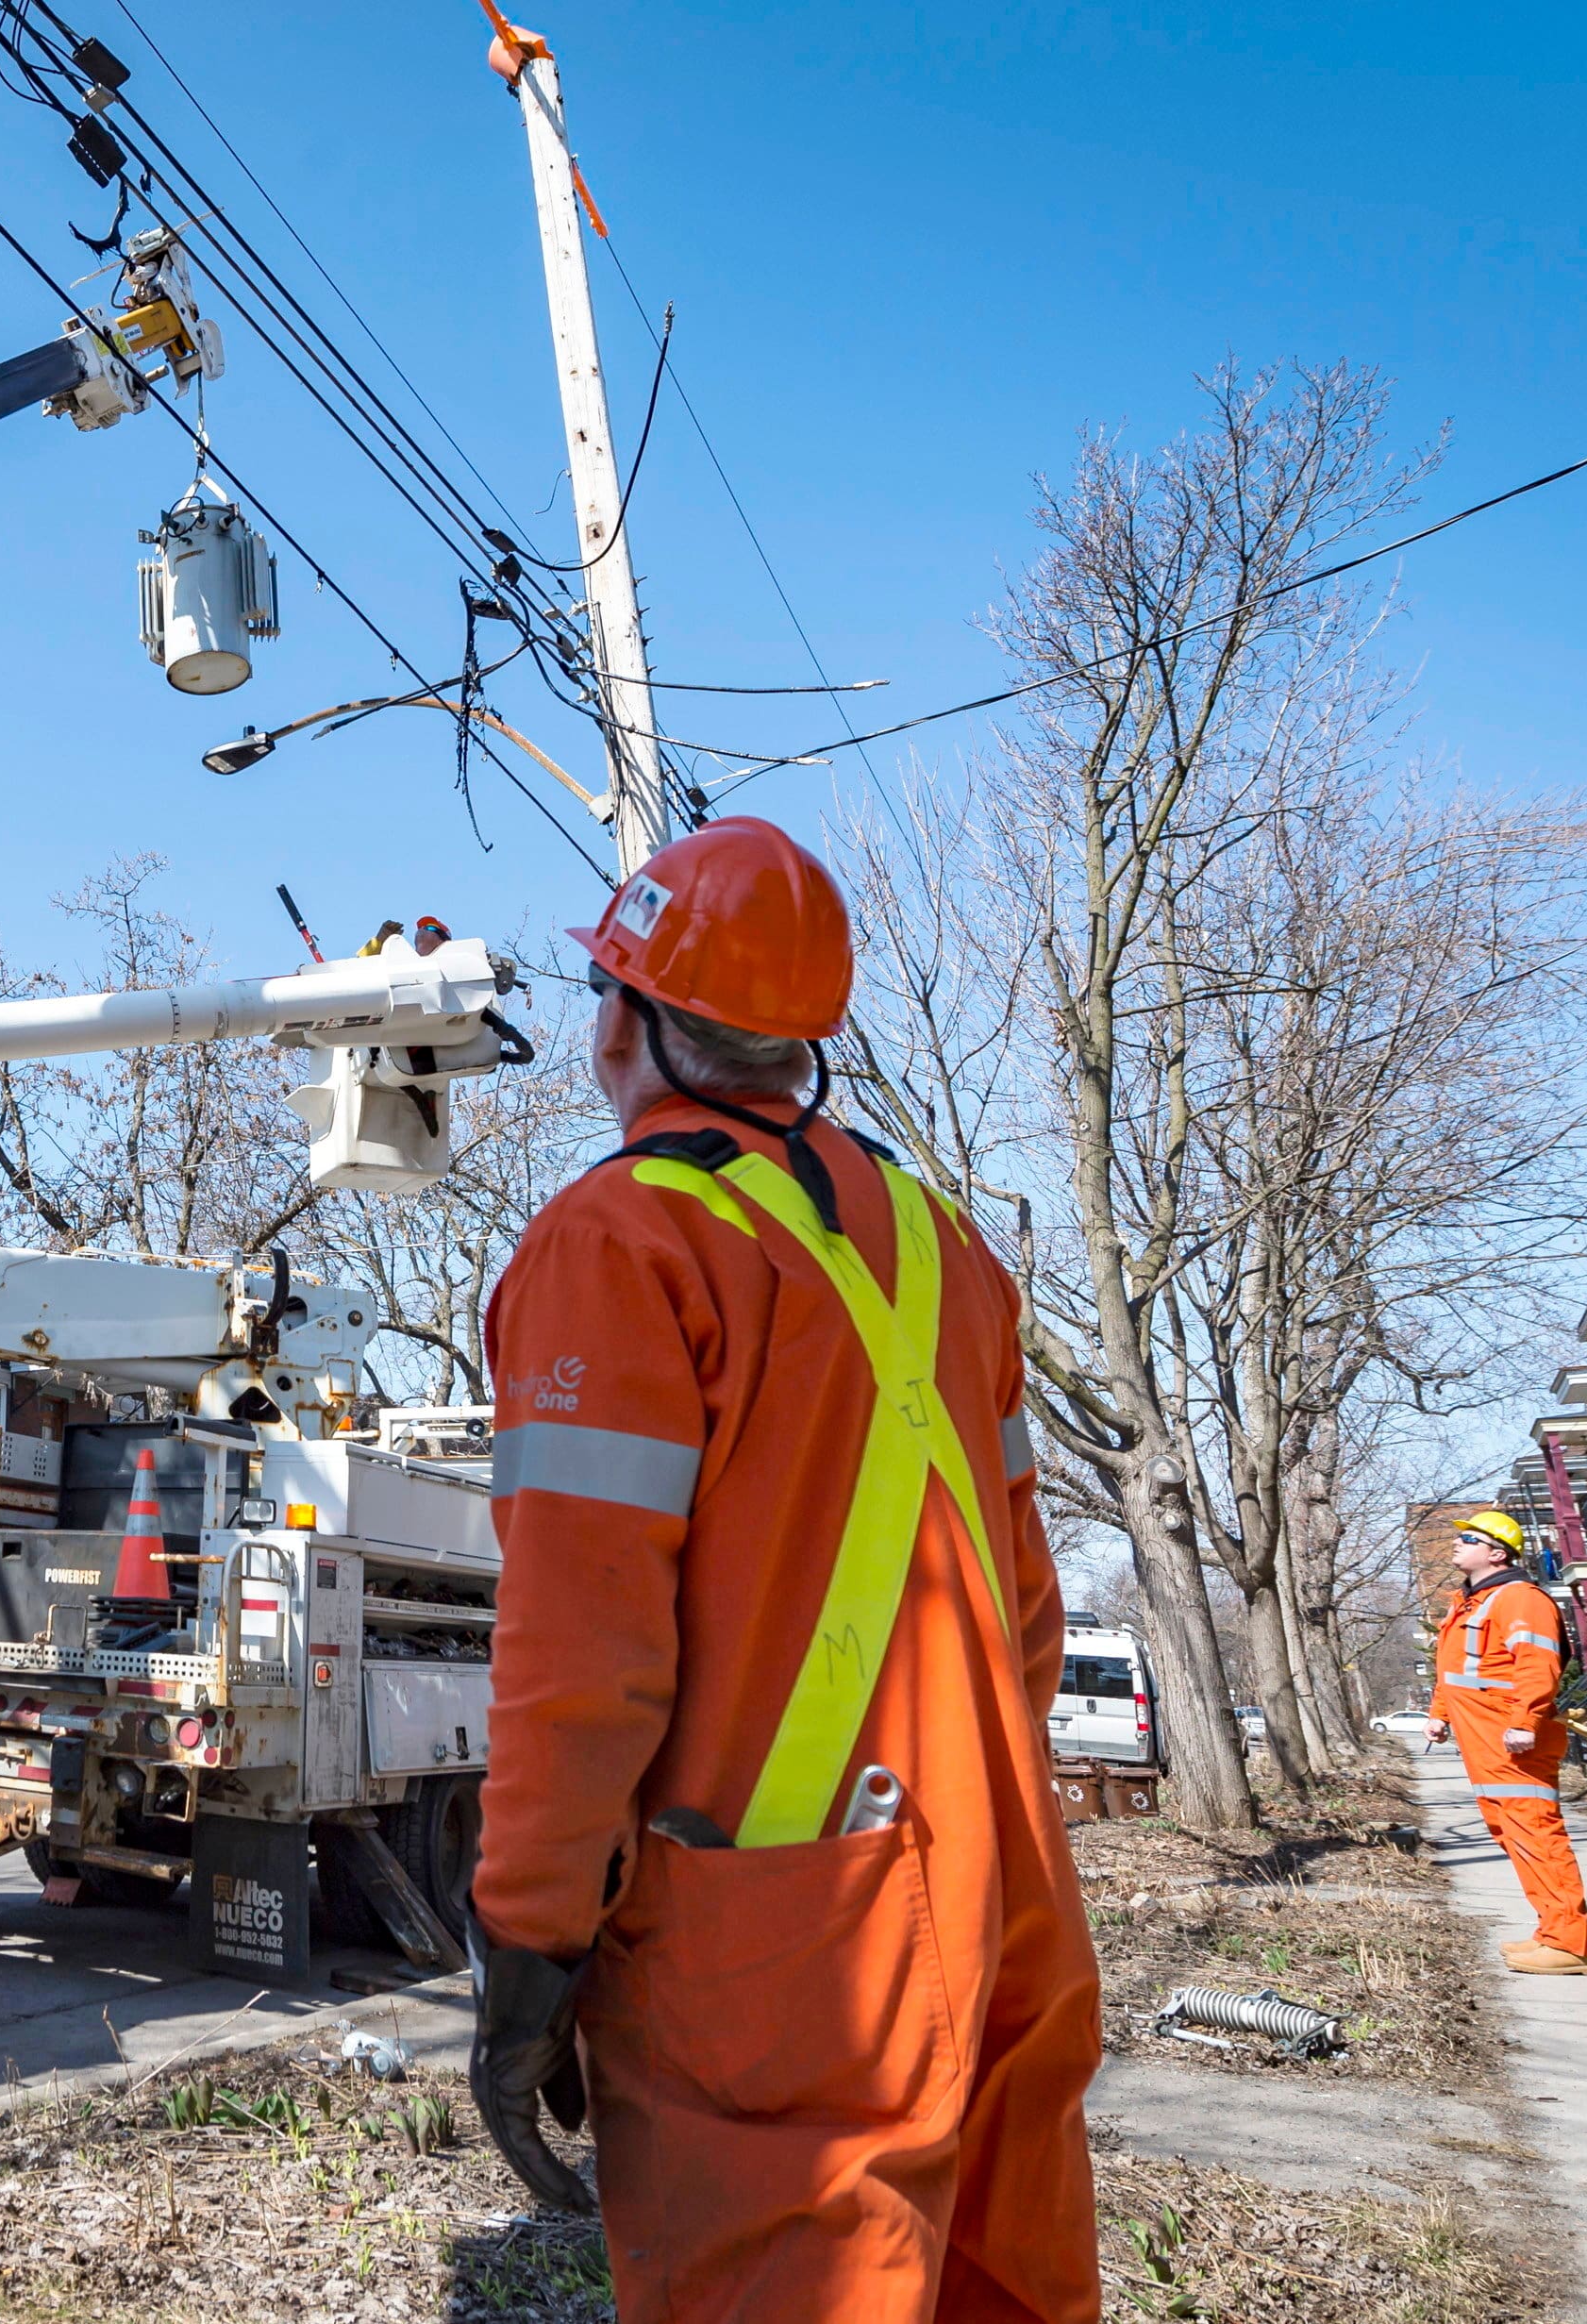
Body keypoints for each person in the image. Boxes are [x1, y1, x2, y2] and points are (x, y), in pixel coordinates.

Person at [469, 820, 1103, 2322]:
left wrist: (530, 1939)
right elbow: (1022, 1607)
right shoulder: (951, 1253)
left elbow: (578, 1650)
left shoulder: (618, 1241)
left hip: (786, 1951)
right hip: (999, 1881)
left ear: (633, 1023)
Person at [1431, 1511, 1587, 1974]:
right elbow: (1455, 1670)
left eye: (1468, 1539)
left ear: (1496, 1553)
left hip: (1512, 1741)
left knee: (1536, 1834)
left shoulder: (1520, 1599)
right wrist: (1439, 1715)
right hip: (1486, 1742)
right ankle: (1554, 1933)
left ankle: (1574, 1946)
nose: (1457, 1544)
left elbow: (1535, 1666)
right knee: (1514, 1836)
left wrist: (1525, 1722)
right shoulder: (1469, 1602)